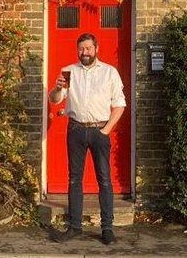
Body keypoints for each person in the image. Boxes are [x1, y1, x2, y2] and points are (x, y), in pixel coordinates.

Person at [48, 33, 126, 245]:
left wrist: (106, 130)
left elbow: (120, 104)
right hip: (75, 130)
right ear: (78, 50)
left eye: (88, 49)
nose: (85, 53)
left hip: (100, 131)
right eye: (81, 49)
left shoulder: (109, 72)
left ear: (96, 49)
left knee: (105, 180)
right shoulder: (69, 71)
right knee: (74, 179)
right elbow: (55, 100)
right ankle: (74, 227)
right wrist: (57, 88)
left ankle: (107, 228)